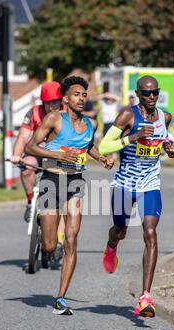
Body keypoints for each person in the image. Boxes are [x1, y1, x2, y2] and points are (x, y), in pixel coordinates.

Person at [25, 76, 114, 315]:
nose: (81, 98)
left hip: (75, 181)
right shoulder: (54, 118)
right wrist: (59, 157)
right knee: (50, 245)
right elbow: (30, 147)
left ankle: (60, 297)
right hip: (51, 181)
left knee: (72, 239)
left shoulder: (90, 124)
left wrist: (102, 158)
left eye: (84, 95)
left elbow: (87, 146)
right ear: (65, 99)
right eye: (76, 94)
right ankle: (43, 226)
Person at [98, 75, 174, 318]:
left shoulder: (165, 117)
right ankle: (111, 246)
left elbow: (163, 140)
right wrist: (133, 136)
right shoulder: (127, 116)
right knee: (120, 230)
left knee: (150, 233)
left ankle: (145, 297)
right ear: (138, 94)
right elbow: (103, 147)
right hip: (124, 184)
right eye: (146, 93)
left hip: (150, 184)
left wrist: (170, 148)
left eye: (155, 92)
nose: (151, 97)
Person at [10, 81, 66, 257]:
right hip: (37, 153)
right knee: (26, 167)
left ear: (61, 100)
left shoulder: (68, 114)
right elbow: (23, 136)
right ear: (43, 102)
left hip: (59, 158)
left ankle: (59, 240)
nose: (52, 105)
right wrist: (16, 155)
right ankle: (29, 202)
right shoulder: (33, 113)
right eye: (48, 102)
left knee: (62, 200)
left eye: (55, 101)